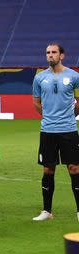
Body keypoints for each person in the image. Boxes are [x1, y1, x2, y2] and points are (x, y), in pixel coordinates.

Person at [31, 43, 79, 222]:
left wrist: (68, 117)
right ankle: (47, 211)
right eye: (47, 53)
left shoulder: (74, 76)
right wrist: (49, 117)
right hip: (48, 131)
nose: (50, 55)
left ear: (62, 55)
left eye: (53, 52)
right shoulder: (40, 78)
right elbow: (36, 102)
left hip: (69, 130)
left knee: (74, 168)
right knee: (48, 169)